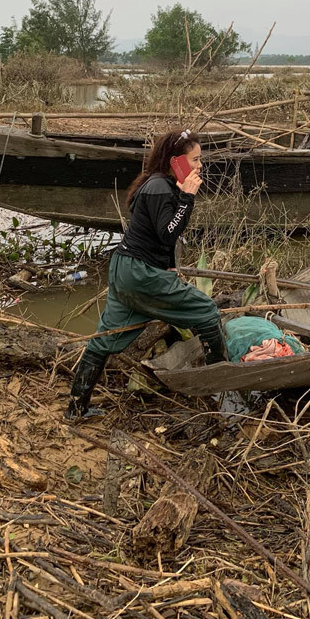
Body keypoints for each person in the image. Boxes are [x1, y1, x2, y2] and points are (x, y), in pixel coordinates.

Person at [65, 128, 228, 419]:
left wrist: (169, 265)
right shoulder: (161, 188)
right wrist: (187, 198)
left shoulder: (158, 185)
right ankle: (218, 396)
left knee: (104, 339)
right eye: (194, 160)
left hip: (126, 268)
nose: (200, 166)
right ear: (175, 161)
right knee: (207, 313)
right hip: (140, 274)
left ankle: (76, 409)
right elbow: (167, 233)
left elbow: (156, 235)